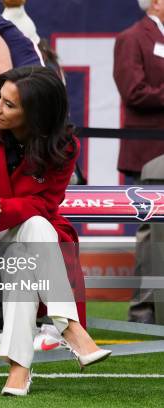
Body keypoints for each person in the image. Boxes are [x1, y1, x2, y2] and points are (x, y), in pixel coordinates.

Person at [0, 66, 111, 396]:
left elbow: (46, 204)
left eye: (9, 105)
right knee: (35, 231)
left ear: (36, 115)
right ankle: (70, 329)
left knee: (28, 247)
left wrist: (0, 209)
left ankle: (19, 370)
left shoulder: (63, 147)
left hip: (30, 242)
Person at [114, 0, 164, 324]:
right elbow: (133, 92)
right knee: (151, 231)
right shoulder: (132, 37)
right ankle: (144, 311)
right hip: (148, 152)